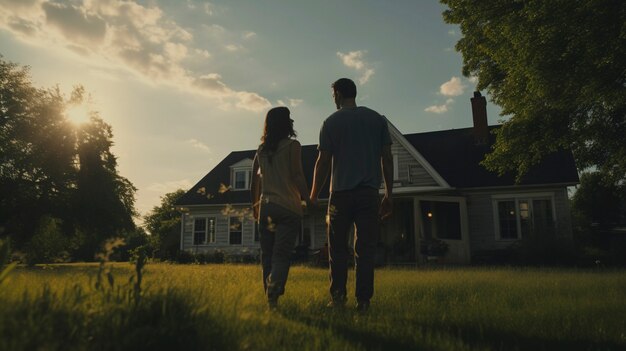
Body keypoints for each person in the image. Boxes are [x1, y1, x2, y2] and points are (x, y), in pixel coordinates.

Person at [310, 78, 393, 312]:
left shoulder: (331, 122)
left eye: (333, 95)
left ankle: (337, 299)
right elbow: (387, 158)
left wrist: (313, 194)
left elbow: (323, 161)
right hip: (368, 195)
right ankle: (363, 302)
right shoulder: (377, 120)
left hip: (340, 196)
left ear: (337, 94)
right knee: (365, 250)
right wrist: (389, 193)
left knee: (337, 250)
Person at [251, 106, 310, 310]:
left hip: (267, 207)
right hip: (288, 208)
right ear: (287, 123)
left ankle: (271, 300)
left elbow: (254, 183)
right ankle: (274, 294)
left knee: (267, 255)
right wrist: (309, 197)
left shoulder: (261, 150)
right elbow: (297, 175)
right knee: (281, 255)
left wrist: (255, 207)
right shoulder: (293, 146)